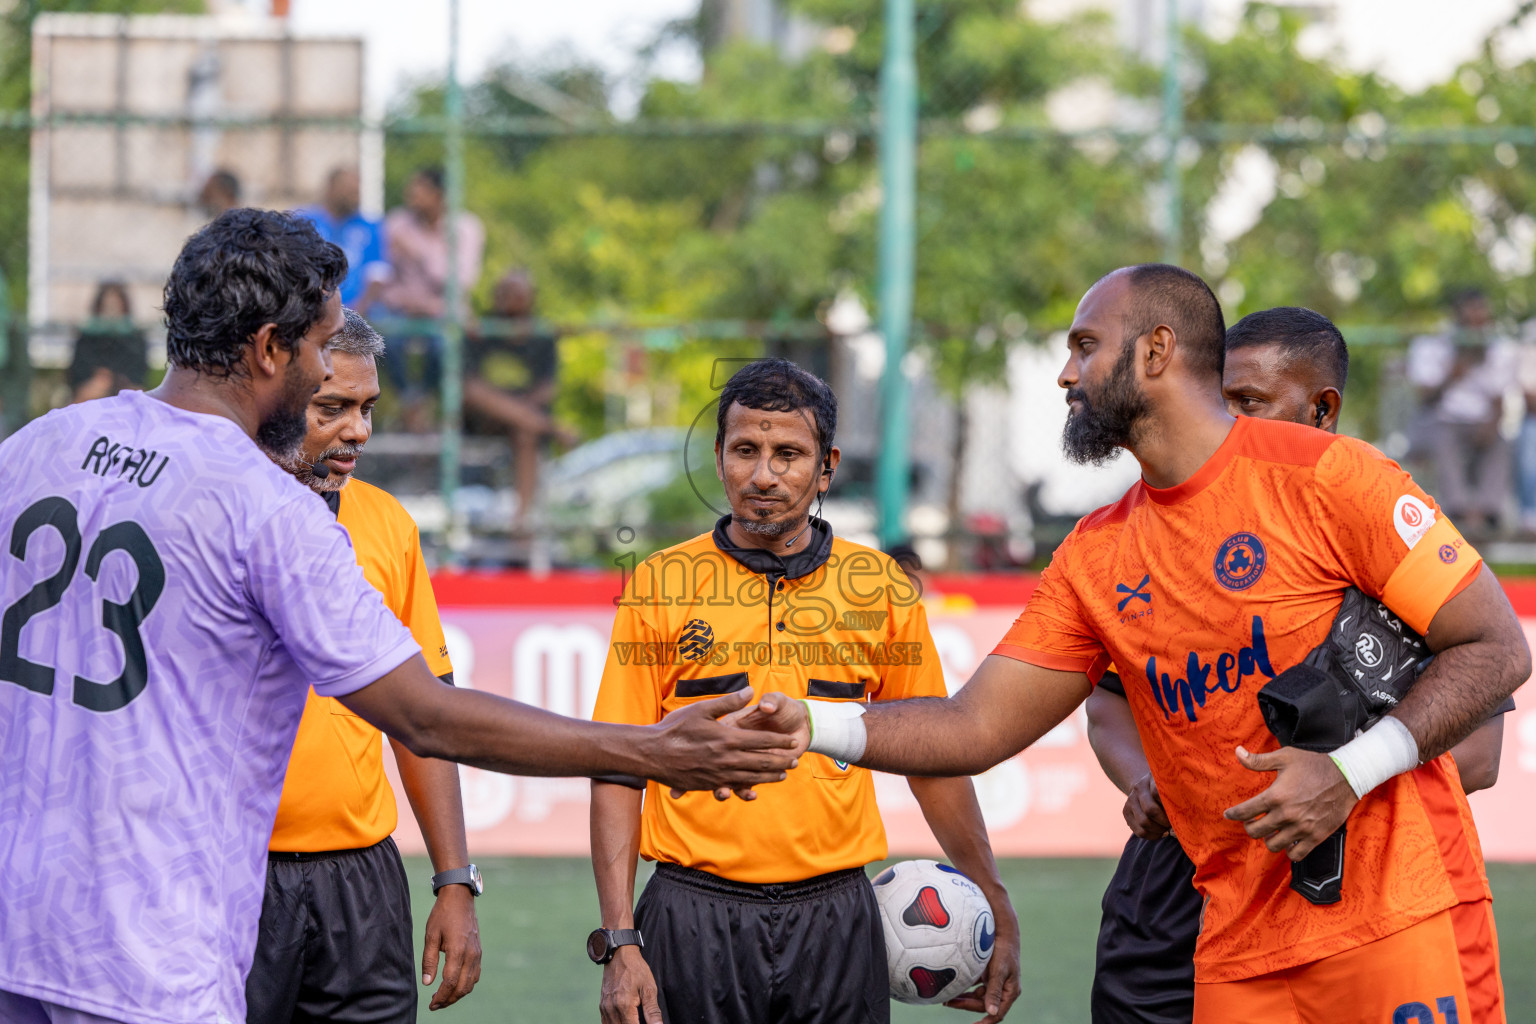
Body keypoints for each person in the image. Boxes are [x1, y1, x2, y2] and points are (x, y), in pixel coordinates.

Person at [0, 208, 799, 1024]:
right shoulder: (268, 507)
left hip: (18, 936)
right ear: (272, 348)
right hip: (145, 963)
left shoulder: (38, 445)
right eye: (319, 349)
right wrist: (654, 750)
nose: (327, 378)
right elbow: (427, 715)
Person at [736, 265, 1529, 1023]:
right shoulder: (1094, 555)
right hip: (1235, 941)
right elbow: (972, 729)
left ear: (1155, 352)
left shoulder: (1330, 475)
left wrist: (1348, 774)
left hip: (1395, 918)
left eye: (1085, 346)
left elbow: (1496, 648)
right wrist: (810, 725)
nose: (1065, 375)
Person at [1084, 305, 1515, 1024]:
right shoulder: (1151, 534)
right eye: (1214, 401)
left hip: (1365, 880)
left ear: (1323, 410)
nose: (1223, 423)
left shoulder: (1378, 515)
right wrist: (1150, 781)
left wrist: (1340, 776)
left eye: (1248, 403)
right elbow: (1106, 704)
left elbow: (1480, 751)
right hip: (1178, 884)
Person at [588, 358, 1021, 1024]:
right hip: (690, 912)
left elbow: (934, 758)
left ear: (827, 467)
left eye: (788, 453)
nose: (763, 475)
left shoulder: (881, 590)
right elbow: (617, 767)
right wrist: (620, 941)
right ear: (719, 456)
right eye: (745, 451)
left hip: (836, 917)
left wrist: (993, 895)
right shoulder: (657, 585)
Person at [244, 309, 480, 1022]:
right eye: (332, 407)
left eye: (367, 408)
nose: (358, 430)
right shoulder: (218, 514)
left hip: (362, 877)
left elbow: (425, 716)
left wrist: (454, 880)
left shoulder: (387, 524)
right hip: (234, 869)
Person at [463, 269, 578, 531]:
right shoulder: (480, 331)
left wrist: (517, 410)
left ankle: (522, 524)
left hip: (522, 420)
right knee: (481, 394)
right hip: (480, 419)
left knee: (526, 431)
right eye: (504, 293)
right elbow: (470, 390)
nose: (509, 300)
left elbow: (547, 388)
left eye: (516, 294)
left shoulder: (541, 336)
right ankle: (551, 427)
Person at [378, 166, 485, 428]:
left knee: (444, 345)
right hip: (403, 309)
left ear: (440, 195)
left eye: (419, 191)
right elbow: (383, 277)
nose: (410, 196)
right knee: (383, 334)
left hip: (443, 312)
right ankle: (410, 401)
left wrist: (420, 254)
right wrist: (408, 301)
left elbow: (461, 281)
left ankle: (420, 403)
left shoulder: (465, 228)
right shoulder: (397, 223)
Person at [1405, 289, 1516, 535]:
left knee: (1501, 443)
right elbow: (1425, 399)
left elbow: (1500, 400)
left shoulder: (1498, 349)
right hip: (1443, 420)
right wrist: (1453, 373)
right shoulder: (1435, 345)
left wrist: (1492, 424)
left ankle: (1488, 514)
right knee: (1445, 440)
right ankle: (1458, 512)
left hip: (1482, 422)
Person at [295, 167, 389, 308]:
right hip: (310, 310)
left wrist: (357, 312)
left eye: (357, 192)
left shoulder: (370, 228)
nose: (356, 197)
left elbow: (377, 274)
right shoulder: (303, 222)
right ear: (332, 188)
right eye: (350, 191)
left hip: (359, 312)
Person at [68, 280, 147, 403]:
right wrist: (99, 380)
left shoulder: (135, 336)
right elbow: (78, 371)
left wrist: (119, 380)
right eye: (107, 304)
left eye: (115, 304)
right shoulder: (86, 336)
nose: (111, 308)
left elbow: (138, 372)